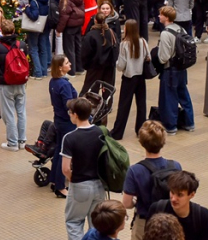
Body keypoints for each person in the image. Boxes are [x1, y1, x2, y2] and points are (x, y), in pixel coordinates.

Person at [122, 120, 182, 240]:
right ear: (163, 141)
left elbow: (126, 203)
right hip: (171, 221)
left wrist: (135, 201)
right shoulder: (175, 166)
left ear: (142, 142)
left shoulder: (135, 170)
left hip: (145, 222)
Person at [61, 98, 105, 240]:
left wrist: (74, 178)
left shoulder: (70, 138)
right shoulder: (101, 132)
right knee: (97, 225)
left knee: (74, 222)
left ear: (75, 115)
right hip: (99, 185)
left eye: (70, 112)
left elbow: (65, 169)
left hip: (80, 185)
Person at [0, 19, 29, 151]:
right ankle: (22, 140)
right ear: (14, 30)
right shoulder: (21, 44)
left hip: (6, 83)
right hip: (21, 82)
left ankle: (12, 142)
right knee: (21, 112)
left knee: (8, 113)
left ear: (1, 32)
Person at [157, 7, 195, 135]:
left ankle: (170, 126)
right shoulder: (180, 29)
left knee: (169, 98)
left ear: (166, 17)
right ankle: (190, 123)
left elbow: (163, 58)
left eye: (161, 14)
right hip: (181, 69)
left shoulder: (165, 33)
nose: (158, 16)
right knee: (184, 95)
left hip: (170, 70)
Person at [111, 20, 149, 140]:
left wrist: (116, 64)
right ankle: (141, 130)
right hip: (141, 76)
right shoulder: (143, 41)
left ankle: (118, 132)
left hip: (128, 77)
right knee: (141, 104)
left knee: (124, 105)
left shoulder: (124, 44)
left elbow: (121, 65)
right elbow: (148, 57)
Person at [46, 55, 78, 198]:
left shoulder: (53, 82)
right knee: (64, 154)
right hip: (66, 123)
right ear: (60, 67)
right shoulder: (64, 85)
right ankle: (60, 187)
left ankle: (54, 179)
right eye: (67, 62)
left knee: (59, 151)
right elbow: (69, 105)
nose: (70, 63)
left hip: (58, 120)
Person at [148, 171, 208, 240]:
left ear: (191, 195)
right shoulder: (157, 209)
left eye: (180, 195)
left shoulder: (202, 216)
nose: (173, 199)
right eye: (172, 192)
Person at [81, 12, 118, 94]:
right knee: (108, 90)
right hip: (110, 66)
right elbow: (116, 48)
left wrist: (86, 66)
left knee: (90, 90)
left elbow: (85, 53)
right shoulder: (111, 33)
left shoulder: (91, 35)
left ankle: (90, 106)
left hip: (94, 67)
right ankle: (107, 106)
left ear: (95, 21)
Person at [57, 0, 85, 77]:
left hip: (69, 26)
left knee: (69, 49)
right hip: (78, 24)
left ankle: (71, 71)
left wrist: (59, 29)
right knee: (78, 46)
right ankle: (80, 68)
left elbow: (64, 16)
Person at [24, 0, 51, 79]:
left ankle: (38, 72)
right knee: (43, 48)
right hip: (44, 26)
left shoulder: (34, 1)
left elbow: (34, 16)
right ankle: (44, 71)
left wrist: (27, 8)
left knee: (34, 49)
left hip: (34, 28)